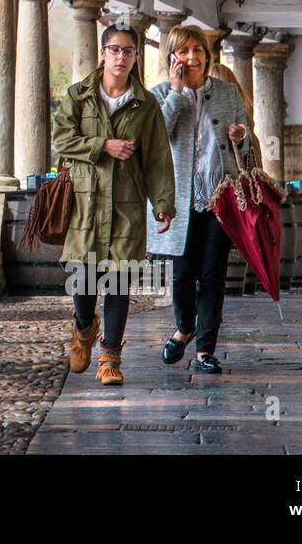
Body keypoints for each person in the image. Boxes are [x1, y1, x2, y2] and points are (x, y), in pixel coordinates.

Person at [52, 24, 176, 386]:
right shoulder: (78, 96)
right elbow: (62, 138)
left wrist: (163, 202)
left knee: (119, 282)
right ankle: (83, 327)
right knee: (84, 281)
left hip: (126, 204)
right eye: (115, 49)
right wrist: (103, 146)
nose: (121, 56)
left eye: (128, 51)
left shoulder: (146, 104)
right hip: (85, 204)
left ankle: (110, 359)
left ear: (136, 57)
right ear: (103, 53)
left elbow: (157, 158)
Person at [148, 25, 253, 374]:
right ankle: (184, 328)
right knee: (181, 274)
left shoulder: (226, 93)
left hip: (220, 196)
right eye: (184, 50)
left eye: (198, 50)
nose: (192, 57)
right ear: (172, 57)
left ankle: (205, 350)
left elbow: (246, 145)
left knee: (212, 276)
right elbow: (155, 137)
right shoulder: (160, 93)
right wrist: (176, 93)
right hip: (179, 198)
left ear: (208, 56)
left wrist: (241, 137)